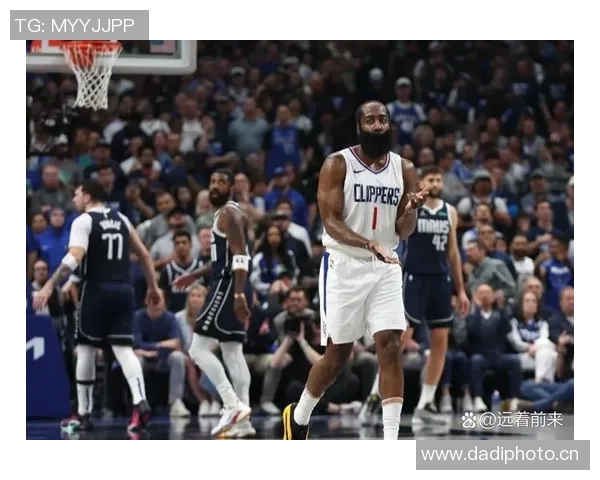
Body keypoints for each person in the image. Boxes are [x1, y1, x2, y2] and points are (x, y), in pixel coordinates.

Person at [281, 101, 429, 441]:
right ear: (360, 126)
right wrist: (367, 244)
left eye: (383, 120)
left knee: (390, 346)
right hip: (345, 264)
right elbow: (331, 222)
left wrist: (410, 211)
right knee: (338, 354)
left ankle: (390, 441)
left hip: (386, 264)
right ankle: (299, 416)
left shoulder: (404, 168)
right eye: (371, 120)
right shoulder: (337, 164)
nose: (378, 125)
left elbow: (404, 230)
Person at [33, 179, 162, 433]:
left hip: (96, 291)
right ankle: (140, 401)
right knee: (124, 350)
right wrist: (153, 287)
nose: (74, 199)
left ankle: (83, 413)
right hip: (124, 290)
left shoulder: (83, 221)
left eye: (77, 194)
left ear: (88, 196)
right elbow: (145, 255)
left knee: (86, 349)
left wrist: (49, 284)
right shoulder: (122, 219)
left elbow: (74, 257)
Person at [173, 168, 254, 438]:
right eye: (212, 181)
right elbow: (224, 258)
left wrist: (238, 295)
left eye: (221, 182)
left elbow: (240, 257)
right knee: (232, 352)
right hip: (233, 282)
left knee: (197, 349)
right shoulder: (230, 213)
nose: (215, 186)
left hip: (229, 285)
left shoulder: (229, 213)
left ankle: (231, 404)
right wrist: (195, 274)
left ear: (231, 187)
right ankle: (244, 422)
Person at [394, 165, 470, 425]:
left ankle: (425, 403)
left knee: (440, 342)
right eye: (431, 179)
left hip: (440, 280)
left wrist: (461, 290)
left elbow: (453, 253)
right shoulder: (412, 207)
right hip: (414, 277)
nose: (436, 183)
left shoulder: (450, 212)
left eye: (438, 179)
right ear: (421, 182)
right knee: (401, 340)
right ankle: (376, 392)